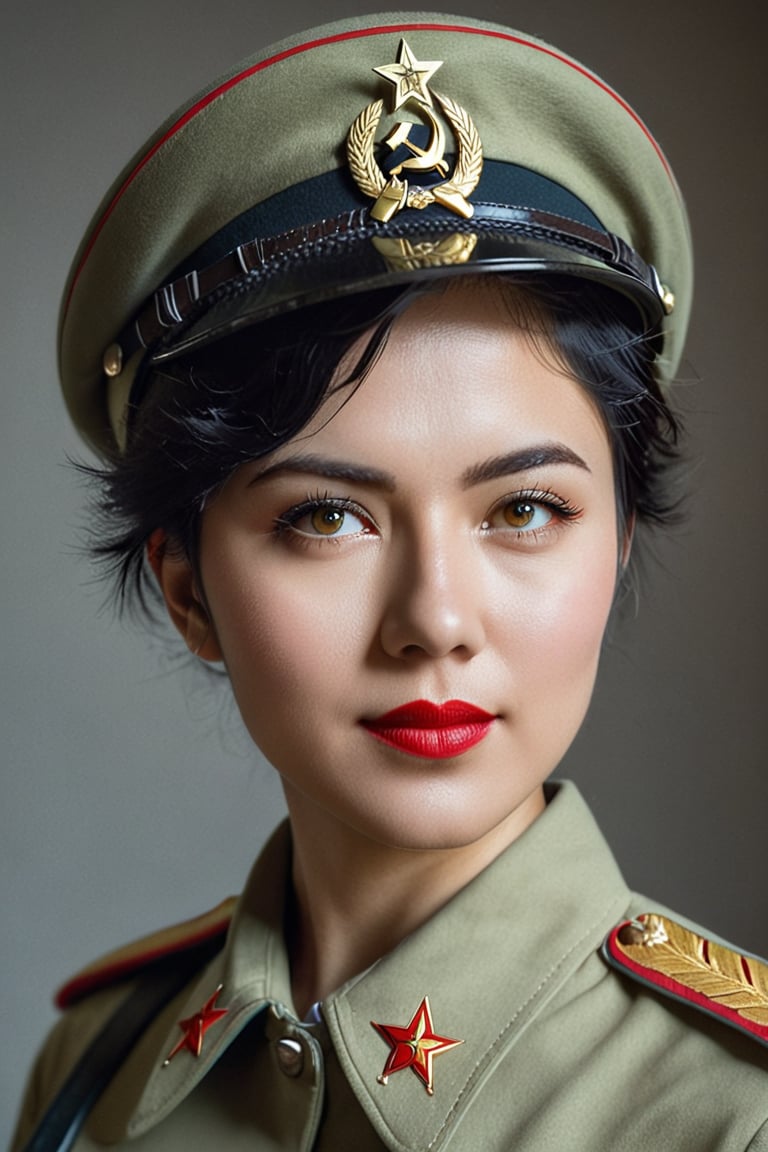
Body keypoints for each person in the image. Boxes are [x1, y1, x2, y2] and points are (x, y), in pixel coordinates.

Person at [11, 12, 768, 1151]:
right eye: (327, 517)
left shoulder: (735, 1115)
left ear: (614, 549)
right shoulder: (99, 1071)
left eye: (524, 510)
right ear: (186, 591)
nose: (436, 622)